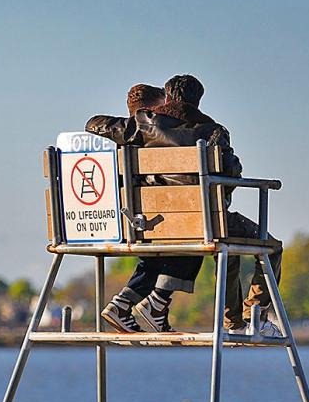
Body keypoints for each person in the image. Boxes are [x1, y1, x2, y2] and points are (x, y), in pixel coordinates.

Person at [85, 74, 283, 335]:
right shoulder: (213, 131)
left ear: (167, 97)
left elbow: (93, 124)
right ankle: (251, 316)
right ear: (198, 100)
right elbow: (232, 173)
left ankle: (226, 319)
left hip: (156, 220)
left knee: (224, 245)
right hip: (205, 220)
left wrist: (138, 118)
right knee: (272, 246)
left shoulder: (143, 125)